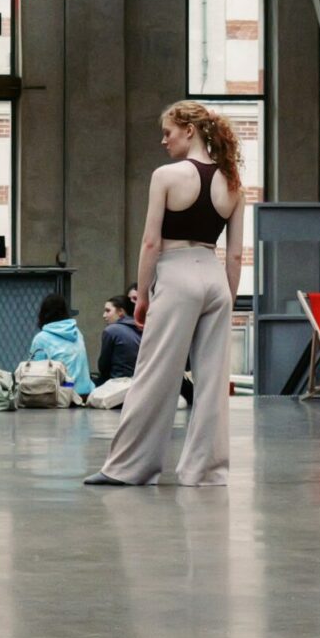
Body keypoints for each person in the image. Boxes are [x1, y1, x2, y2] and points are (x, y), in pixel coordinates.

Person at [85, 101, 241, 487]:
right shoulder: (233, 182)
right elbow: (236, 254)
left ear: (189, 130)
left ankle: (129, 467)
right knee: (212, 383)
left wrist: (141, 296)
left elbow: (151, 243)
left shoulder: (166, 176)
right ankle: (206, 471)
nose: (163, 140)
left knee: (155, 375)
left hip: (176, 274)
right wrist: (229, 298)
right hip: (215, 277)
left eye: (168, 132)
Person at [27, 293, 93, 402]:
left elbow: (33, 374)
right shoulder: (77, 333)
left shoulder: (41, 338)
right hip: (85, 393)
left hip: (62, 397)